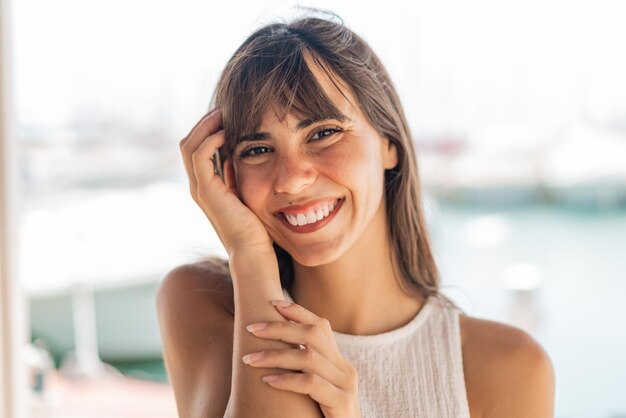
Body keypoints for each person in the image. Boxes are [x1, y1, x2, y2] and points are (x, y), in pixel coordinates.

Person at [156, 12, 555, 418]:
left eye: (323, 133)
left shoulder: (510, 368)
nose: (292, 179)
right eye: (257, 150)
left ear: (389, 143)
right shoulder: (203, 302)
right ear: (229, 177)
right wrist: (250, 255)